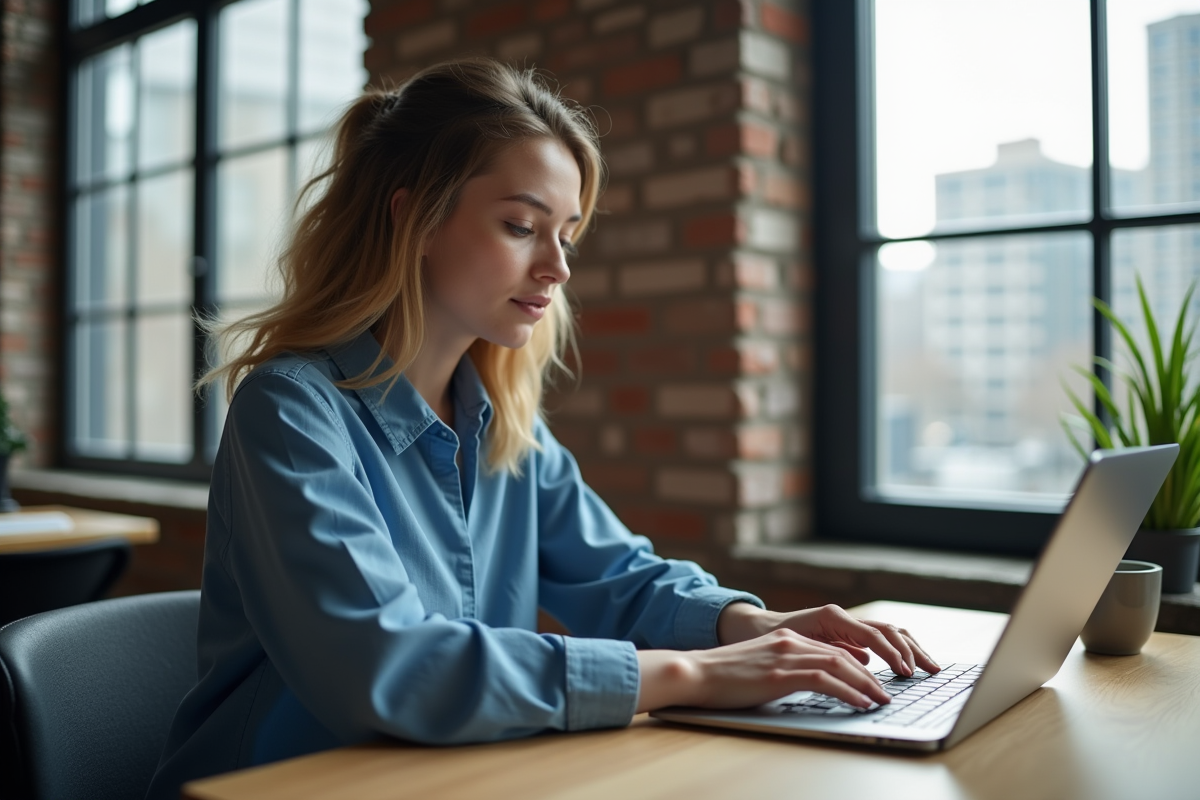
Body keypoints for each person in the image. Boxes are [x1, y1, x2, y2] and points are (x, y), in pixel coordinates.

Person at [145, 59, 938, 799]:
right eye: (523, 227)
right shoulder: (290, 411)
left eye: (567, 236)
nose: (558, 269)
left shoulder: (503, 425)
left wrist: (750, 623)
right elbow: (386, 669)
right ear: (414, 218)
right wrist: (698, 675)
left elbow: (621, 576)